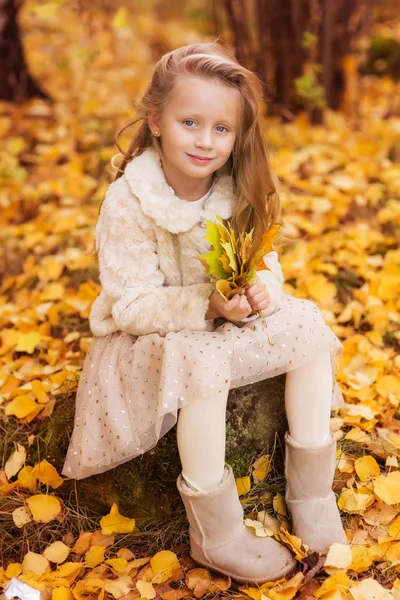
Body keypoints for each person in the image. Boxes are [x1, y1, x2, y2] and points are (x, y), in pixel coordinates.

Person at [62, 40, 347, 585]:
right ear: (156, 122)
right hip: (150, 337)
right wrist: (205, 304)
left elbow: (263, 262)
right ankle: (216, 531)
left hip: (222, 321)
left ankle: (310, 491)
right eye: (190, 122)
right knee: (201, 362)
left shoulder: (233, 187)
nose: (205, 140)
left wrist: (260, 292)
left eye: (221, 128)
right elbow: (132, 304)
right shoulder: (129, 201)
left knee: (307, 323)